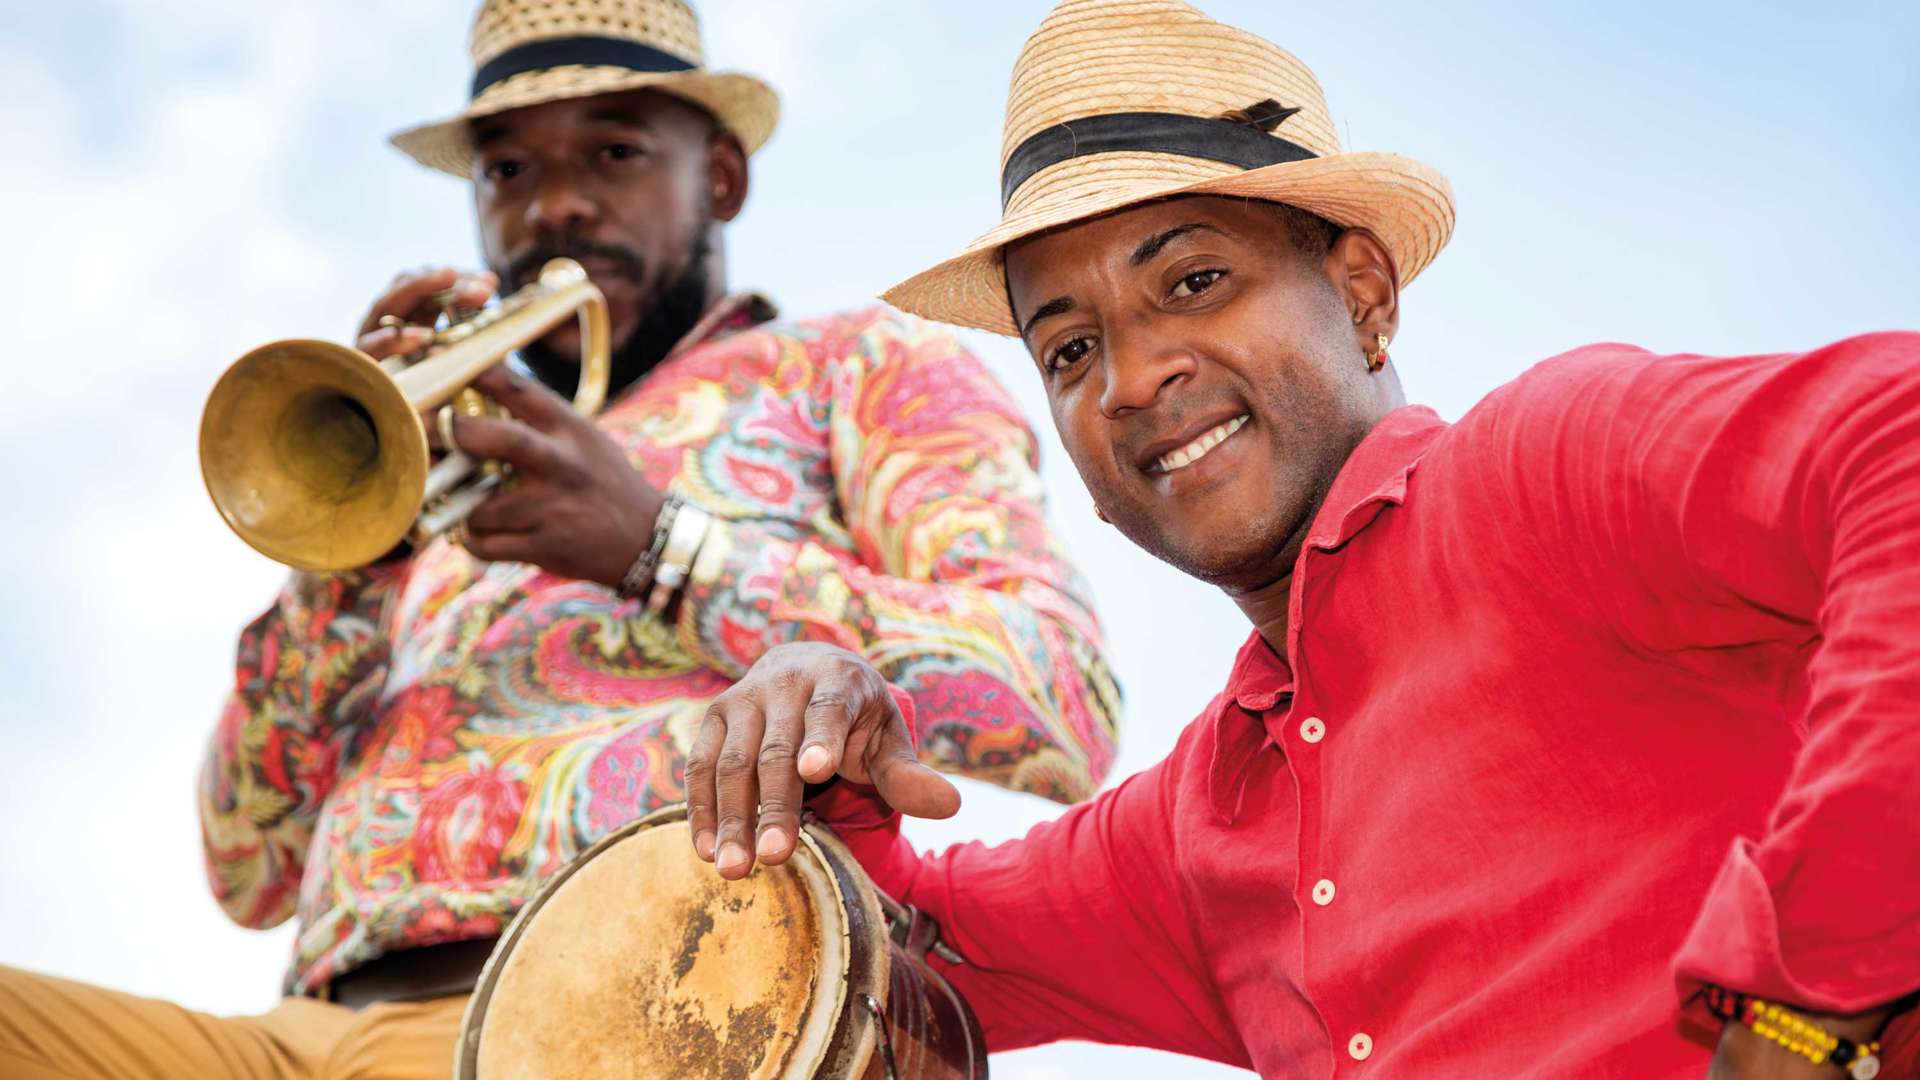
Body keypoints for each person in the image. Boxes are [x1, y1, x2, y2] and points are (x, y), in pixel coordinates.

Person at [685, 1, 1919, 1077]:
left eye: (1194, 282)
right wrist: (820, 747)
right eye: (1069, 348)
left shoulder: (1543, 471)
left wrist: (1809, 1003)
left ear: (1366, 294)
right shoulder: (1197, 824)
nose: (1132, 375)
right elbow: (892, 963)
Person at [0, 2, 1119, 1077]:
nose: (556, 209)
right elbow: (245, 866)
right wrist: (351, 558)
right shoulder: (448, 462)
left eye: (616, 152)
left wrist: (657, 547)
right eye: (508, 171)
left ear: (719, 176)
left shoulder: (856, 365)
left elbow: (1055, 696)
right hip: (308, 1031)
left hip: (642, 1017)